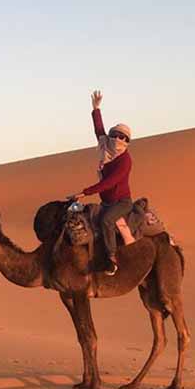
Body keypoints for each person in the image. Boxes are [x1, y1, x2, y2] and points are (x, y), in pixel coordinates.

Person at [69, 90, 133, 276]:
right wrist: (96, 109)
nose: (118, 139)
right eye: (116, 135)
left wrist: (85, 192)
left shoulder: (125, 160)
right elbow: (99, 130)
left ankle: (112, 259)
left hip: (121, 202)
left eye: (123, 137)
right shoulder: (105, 147)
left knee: (106, 221)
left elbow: (109, 183)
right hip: (106, 202)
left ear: (127, 142)